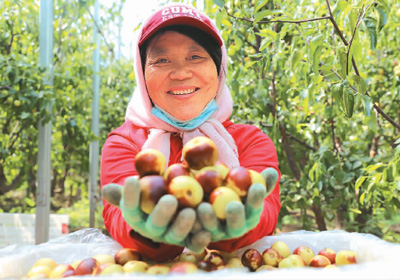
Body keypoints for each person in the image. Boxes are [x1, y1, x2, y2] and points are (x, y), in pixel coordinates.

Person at [100, 3, 281, 262]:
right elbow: (119, 217)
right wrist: (148, 232)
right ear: (142, 74)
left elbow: (265, 209)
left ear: (218, 69)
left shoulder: (249, 142)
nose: (181, 73)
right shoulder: (126, 143)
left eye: (196, 57)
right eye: (161, 60)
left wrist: (241, 225)